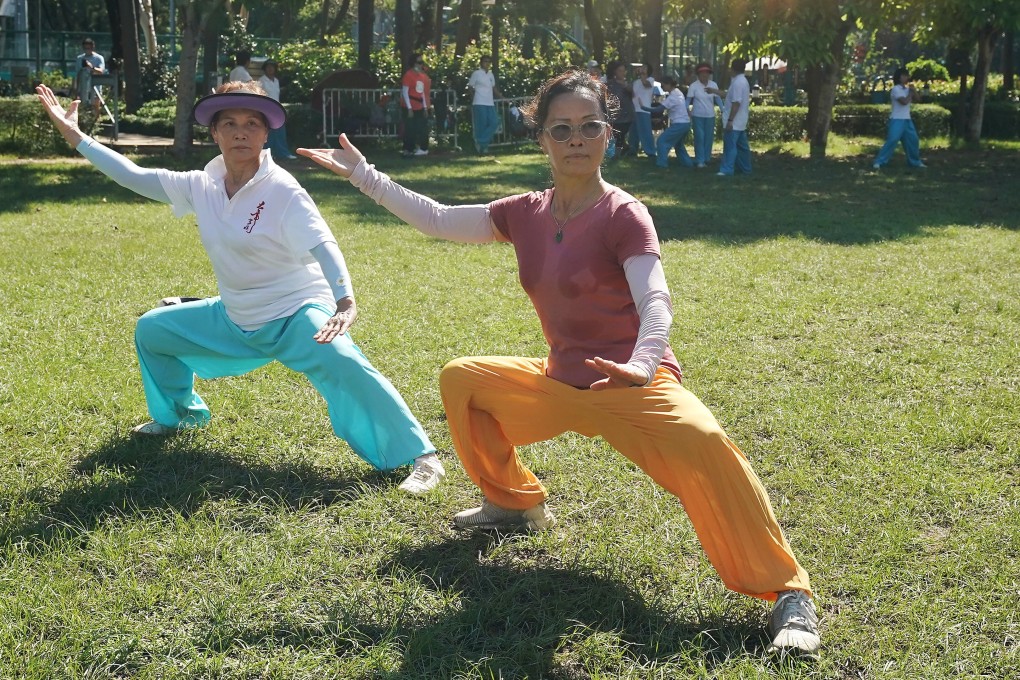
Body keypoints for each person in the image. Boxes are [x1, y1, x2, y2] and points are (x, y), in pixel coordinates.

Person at [298, 69, 821, 659]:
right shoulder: (524, 212)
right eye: (562, 128)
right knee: (463, 379)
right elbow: (439, 219)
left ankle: (787, 592)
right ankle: (515, 503)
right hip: (560, 380)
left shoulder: (626, 214)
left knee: (708, 443)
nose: (577, 138)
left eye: (590, 126)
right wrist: (364, 176)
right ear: (542, 138)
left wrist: (645, 362)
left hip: (633, 383)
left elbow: (655, 299)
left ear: (609, 136)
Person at [33, 80, 446, 496]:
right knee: (153, 330)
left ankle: (421, 456)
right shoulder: (201, 184)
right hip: (235, 317)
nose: (240, 132)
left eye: (252, 123)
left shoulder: (284, 190)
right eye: (228, 123)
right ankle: (180, 415)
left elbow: (325, 245)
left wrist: (344, 300)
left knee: (343, 360)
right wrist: (76, 136)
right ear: (214, 134)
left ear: (267, 134)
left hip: (295, 312)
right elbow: (132, 175)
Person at [872, 67, 926, 170]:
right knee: (892, 140)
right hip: (897, 119)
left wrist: (914, 91)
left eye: (907, 75)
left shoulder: (907, 89)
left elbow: (918, 100)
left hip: (907, 119)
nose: (906, 77)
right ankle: (879, 161)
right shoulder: (896, 89)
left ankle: (915, 162)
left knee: (913, 141)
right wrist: (910, 93)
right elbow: (904, 102)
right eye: (904, 75)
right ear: (899, 77)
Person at [718, 57, 752, 176]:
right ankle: (745, 168)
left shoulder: (737, 82)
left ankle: (727, 169)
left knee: (730, 146)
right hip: (741, 120)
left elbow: (736, 102)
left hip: (734, 121)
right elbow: (730, 95)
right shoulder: (742, 81)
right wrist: (715, 91)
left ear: (732, 69)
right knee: (742, 147)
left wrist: (730, 120)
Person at [686, 62, 723, 168]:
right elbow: (688, 100)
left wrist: (722, 109)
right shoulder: (694, 86)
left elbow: (717, 98)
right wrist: (687, 110)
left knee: (708, 138)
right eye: (702, 74)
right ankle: (700, 160)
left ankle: (707, 158)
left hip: (710, 115)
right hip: (697, 115)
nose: (705, 75)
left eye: (707, 73)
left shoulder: (713, 85)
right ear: (698, 75)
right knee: (699, 137)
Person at [258, 60, 296, 160]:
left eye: (272, 67)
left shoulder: (276, 81)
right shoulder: (261, 81)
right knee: (267, 134)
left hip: (277, 109)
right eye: (268, 67)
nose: (270, 69)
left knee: (280, 132)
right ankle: (267, 154)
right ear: (264, 69)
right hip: (265, 110)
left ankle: (283, 153)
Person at [654, 76, 693, 169]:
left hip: (679, 124)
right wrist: (662, 118)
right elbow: (675, 110)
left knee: (662, 141)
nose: (662, 88)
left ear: (668, 84)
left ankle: (662, 164)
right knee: (679, 145)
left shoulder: (672, 97)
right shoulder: (678, 92)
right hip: (685, 123)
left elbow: (658, 109)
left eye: (663, 86)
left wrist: (642, 107)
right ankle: (688, 165)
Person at [467, 55, 502, 155]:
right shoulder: (476, 73)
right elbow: (470, 87)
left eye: (488, 62)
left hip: (489, 103)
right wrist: (473, 97)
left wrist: (502, 97)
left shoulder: (491, 75)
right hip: (479, 102)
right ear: (481, 63)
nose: (487, 63)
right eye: (485, 61)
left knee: (494, 122)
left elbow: (494, 89)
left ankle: (480, 142)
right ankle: (483, 147)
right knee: (481, 125)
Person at [401, 53, 432, 157]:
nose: (421, 65)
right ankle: (408, 148)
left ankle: (423, 148)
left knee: (422, 127)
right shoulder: (408, 75)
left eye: (421, 62)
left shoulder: (422, 76)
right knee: (410, 128)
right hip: (410, 104)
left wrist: (424, 107)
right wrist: (409, 108)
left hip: (419, 105)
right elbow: (405, 92)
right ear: (414, 63)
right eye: (419, 62)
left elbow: (422, 92)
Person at [605, 60, 634, 159]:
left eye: (623, 70)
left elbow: (634, 95)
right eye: (620, 71)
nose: (622, 73)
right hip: (615, 115)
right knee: (616, 135)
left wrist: (627, 87)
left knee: (620, 135)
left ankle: (618, 154)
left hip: (626, 115)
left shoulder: (628, 85)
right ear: (615, 72)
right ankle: (619, 152)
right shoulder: (610, 84)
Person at [631, 63, 658, 157]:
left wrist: (642, 75)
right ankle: (633, 150)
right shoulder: (636, 82)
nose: (642, 69)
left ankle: (650, 152)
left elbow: (647, 85)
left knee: (645, 131)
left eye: (645, 68)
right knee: (634, 132)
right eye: (642, 67)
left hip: (644, 110)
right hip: (634, 109)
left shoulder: (651, 80)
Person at [75, 38, 106, 117]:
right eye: (85, 48)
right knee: (83, 107)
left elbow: (101, 71)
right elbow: (78, 74)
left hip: (96, 88)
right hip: (83, 88)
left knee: (95, 107)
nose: (87, 50)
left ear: (93, 48)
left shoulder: (99, 58)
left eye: (88, 48)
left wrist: (91, 68)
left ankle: (96, 123)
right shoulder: (80, 58)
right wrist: (76, 90)